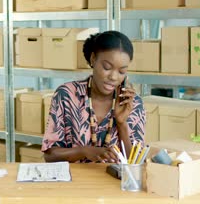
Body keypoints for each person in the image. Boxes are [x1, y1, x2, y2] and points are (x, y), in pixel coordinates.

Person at [42, 31, 146, 163]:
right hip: (75, 181)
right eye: (107, 67)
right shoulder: (67, 95)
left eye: (122, 71)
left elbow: (136, 164)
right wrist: (83, 151)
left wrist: (121, 124)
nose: (113, 77)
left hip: (114, 183)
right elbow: (50, 156)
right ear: (93, 59)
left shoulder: (133, 104)